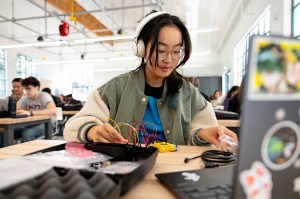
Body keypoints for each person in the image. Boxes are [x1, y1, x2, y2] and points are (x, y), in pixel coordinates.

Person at [64, 10, 237, 147]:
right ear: (140, 48)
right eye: (160, 51)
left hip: (174, 170)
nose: (169, 60)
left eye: (176, 51)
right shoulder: (116, 88)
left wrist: (202, 134)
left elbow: (197, 134)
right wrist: (93, 130)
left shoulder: (190, 94)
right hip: (126, 170)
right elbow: (72, 127)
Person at [16, 76, 56, 142]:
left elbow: (53, 110)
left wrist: (30, 113)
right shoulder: (26, 97)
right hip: (32, 123)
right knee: (6, 132)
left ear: (37, 87)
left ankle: (29, 152)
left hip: (47, 124)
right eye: (25, 89)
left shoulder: (44, 96)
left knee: (27, 133)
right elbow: (14, 108)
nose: (27, 91)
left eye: (29, 89)